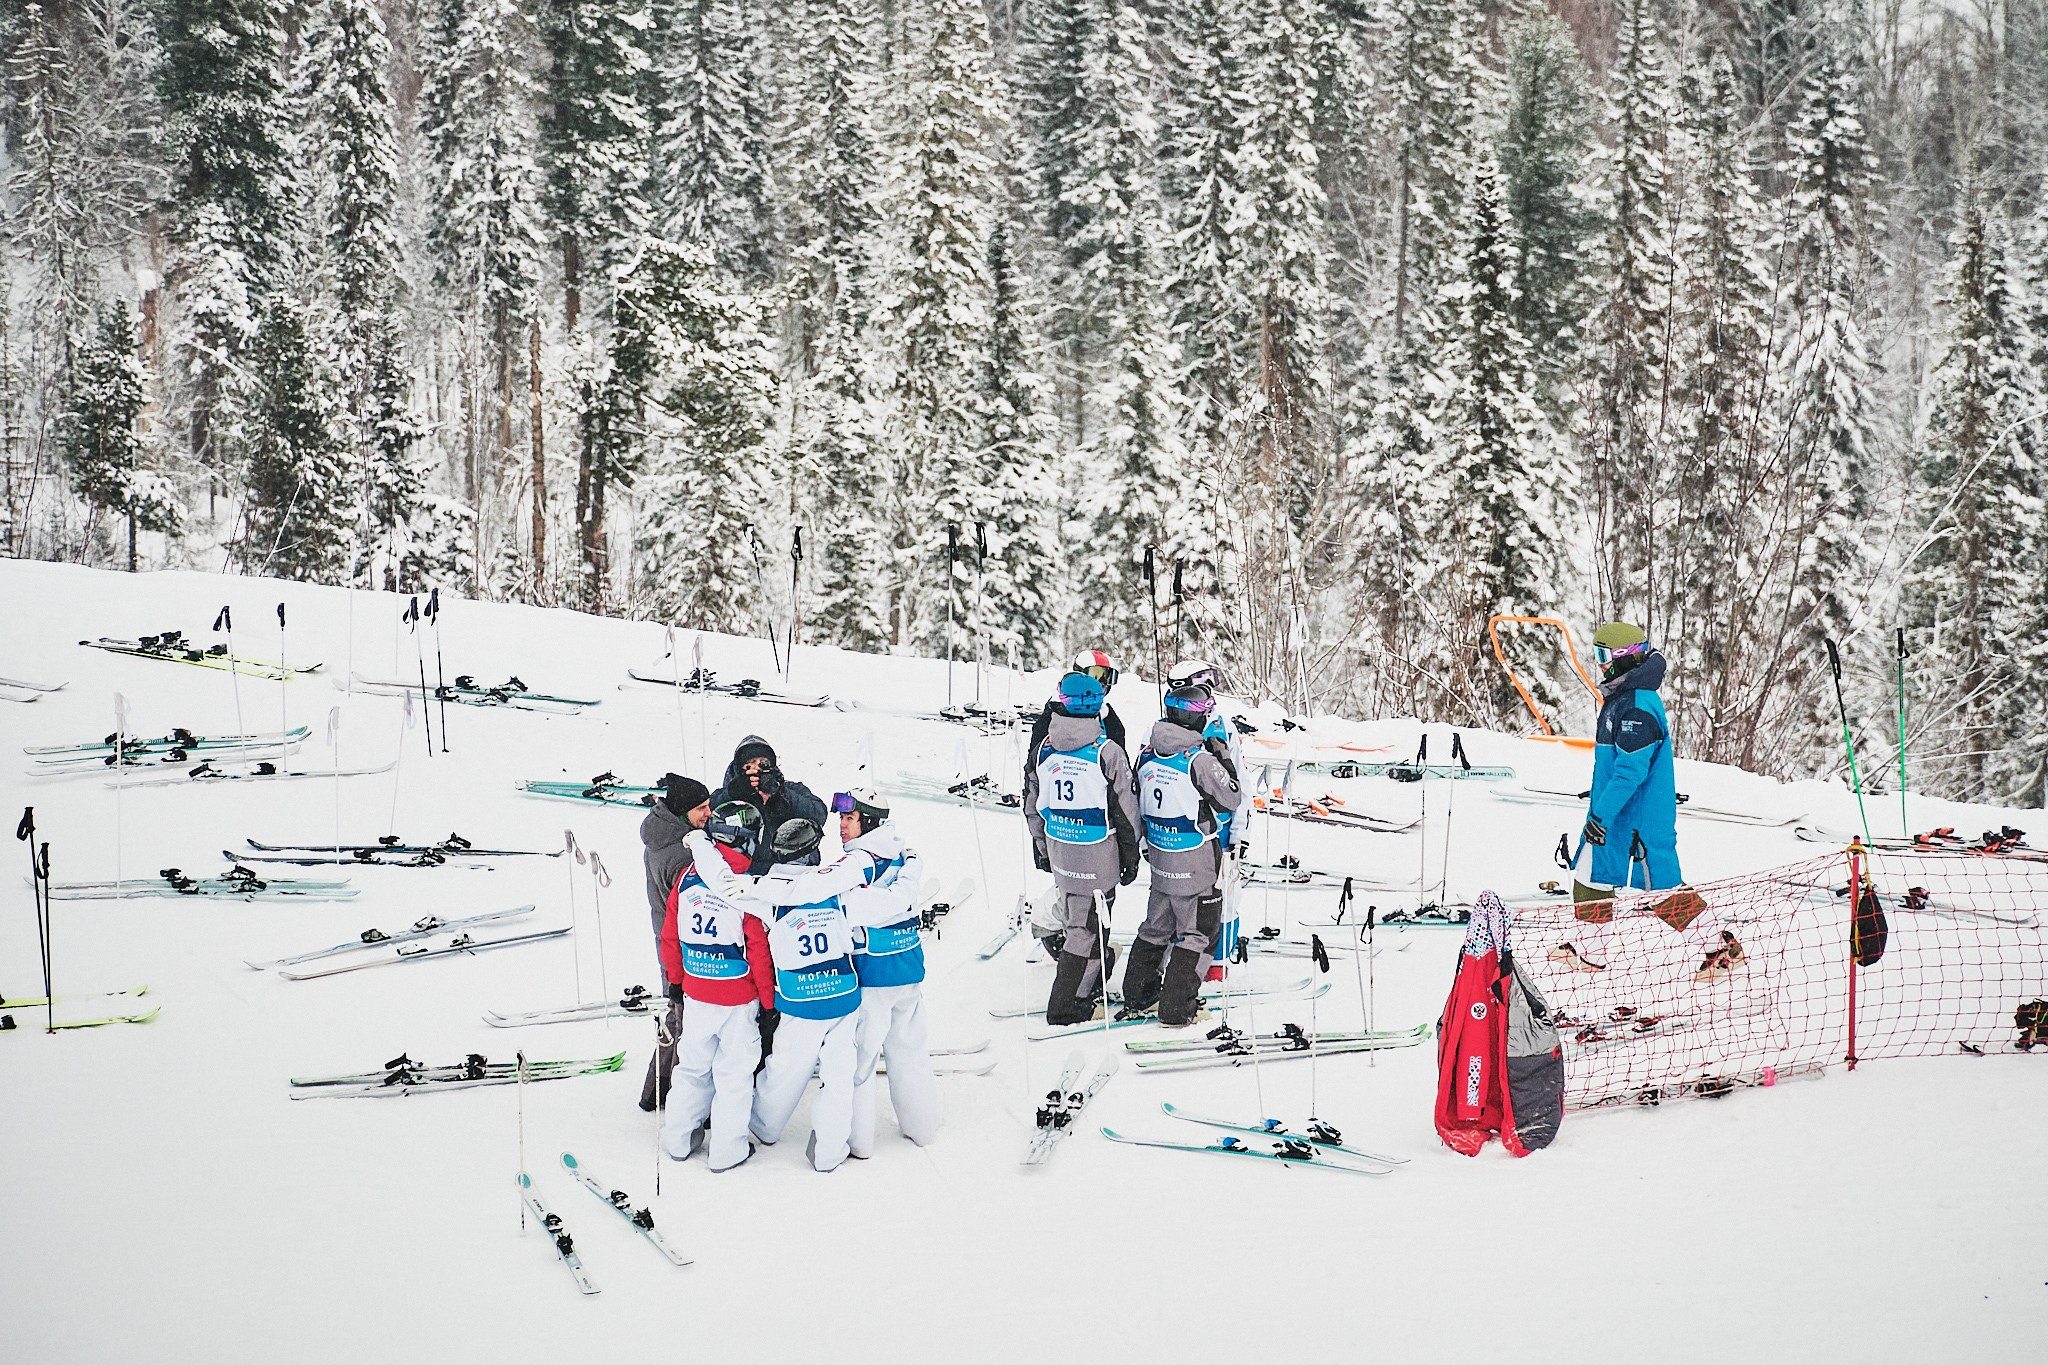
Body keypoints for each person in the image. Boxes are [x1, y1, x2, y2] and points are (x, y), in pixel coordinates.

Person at [1548, 622, 1740, 982]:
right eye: (1597, 656)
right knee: (1592, 872)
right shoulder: (1622, 698)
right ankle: (1590, 951)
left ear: (1625, 659)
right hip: (1615, 814)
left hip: (1636, 818)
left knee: (1659, 890)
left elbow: (1630, 773)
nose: (1600, 665)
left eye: (1604, 657)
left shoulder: (1637, 706)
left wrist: (1601, 814)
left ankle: (1720, 947)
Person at [745, 816, 882, 1173]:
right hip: (842, 996)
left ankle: (765, 1127)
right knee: (839, 1077)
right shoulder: (838, 890)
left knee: (785, 1070)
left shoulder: (768, 895)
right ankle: (829, 1150)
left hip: (801, 1000)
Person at [657, 805, 775, 1172]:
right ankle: (727, 1149)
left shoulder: (689, 875)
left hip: (696, 991)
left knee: (692, 1067)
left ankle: (677, 1139)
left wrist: (676, 981)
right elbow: (757, 950)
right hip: (737, 997)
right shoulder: (744, 884)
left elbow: (671, 934)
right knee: (734, 1074)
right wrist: (769, 1002)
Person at [1024, 670, 1141, 1025]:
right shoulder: (1107, 752)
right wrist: (1130, 855)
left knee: (1080, 919)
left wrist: (1043, 848)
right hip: (1097, 856)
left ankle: (1087, 984)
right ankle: (1065, 1005)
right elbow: (1126, 812)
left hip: (1062, 850)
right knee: (1086, 929)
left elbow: (1032, 804)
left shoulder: (1044, 747)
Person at [1126, 685, 1243, 1025]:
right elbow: (1231, 797)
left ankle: (1140, 992)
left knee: (1156, 927)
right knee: (1199, 932)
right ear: (1199, 716)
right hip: (1196, 861)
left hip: (1161, 856)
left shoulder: (1148, 752)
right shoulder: (1200, 759)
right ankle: (1177, 1008)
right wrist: (1221, 755)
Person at [834, 790, 936, 1156]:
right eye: (841, 818)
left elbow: (858, 909)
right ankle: (921, 1126)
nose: (841, 826)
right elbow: (902, 894)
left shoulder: (857, 863)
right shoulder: (902, 853)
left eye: (849, 819)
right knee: (909, 1053)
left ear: (869, 822)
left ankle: (859, 1141)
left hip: (874, 976)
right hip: (907, 968)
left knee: (861, 1060)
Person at [1166, 659, 1248, 981]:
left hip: (1221, 830)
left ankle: (1217, 961)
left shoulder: (1222, 729)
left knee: (1224, 894)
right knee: (1180, 898)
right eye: (1201, 690)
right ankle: (1181, 959)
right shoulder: (1163, 730)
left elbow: (1241, 784)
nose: (1209, 697)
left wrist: (1241, 834)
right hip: (1183, 830)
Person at [639, 773, 711, 1112]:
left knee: (676, 1015)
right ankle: (676, 1093)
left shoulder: (659, 836)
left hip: (667, 942)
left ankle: (656, 1088)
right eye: (701, 809)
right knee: (686, 1021)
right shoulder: (682, 854)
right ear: (682, 812)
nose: (708, 814)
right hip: (682, 947)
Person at [711, 736, 828, 874]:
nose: (757, 769)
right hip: (744, 873)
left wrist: (782, 794)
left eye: (763, 764)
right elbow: (708, 818)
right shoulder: (726, 793)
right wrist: (735, 794)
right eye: (749, 765)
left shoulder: (791, 789)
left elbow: (819, 815)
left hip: (790, 869)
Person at [1024, 648, 1128, 788]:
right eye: (1096, 674)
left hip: (1093, 794)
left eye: (1107, 676)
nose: (1102, 682)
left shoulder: (1108, 717)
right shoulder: (1055, 711)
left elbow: (1120, 767)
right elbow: (1034, 760)